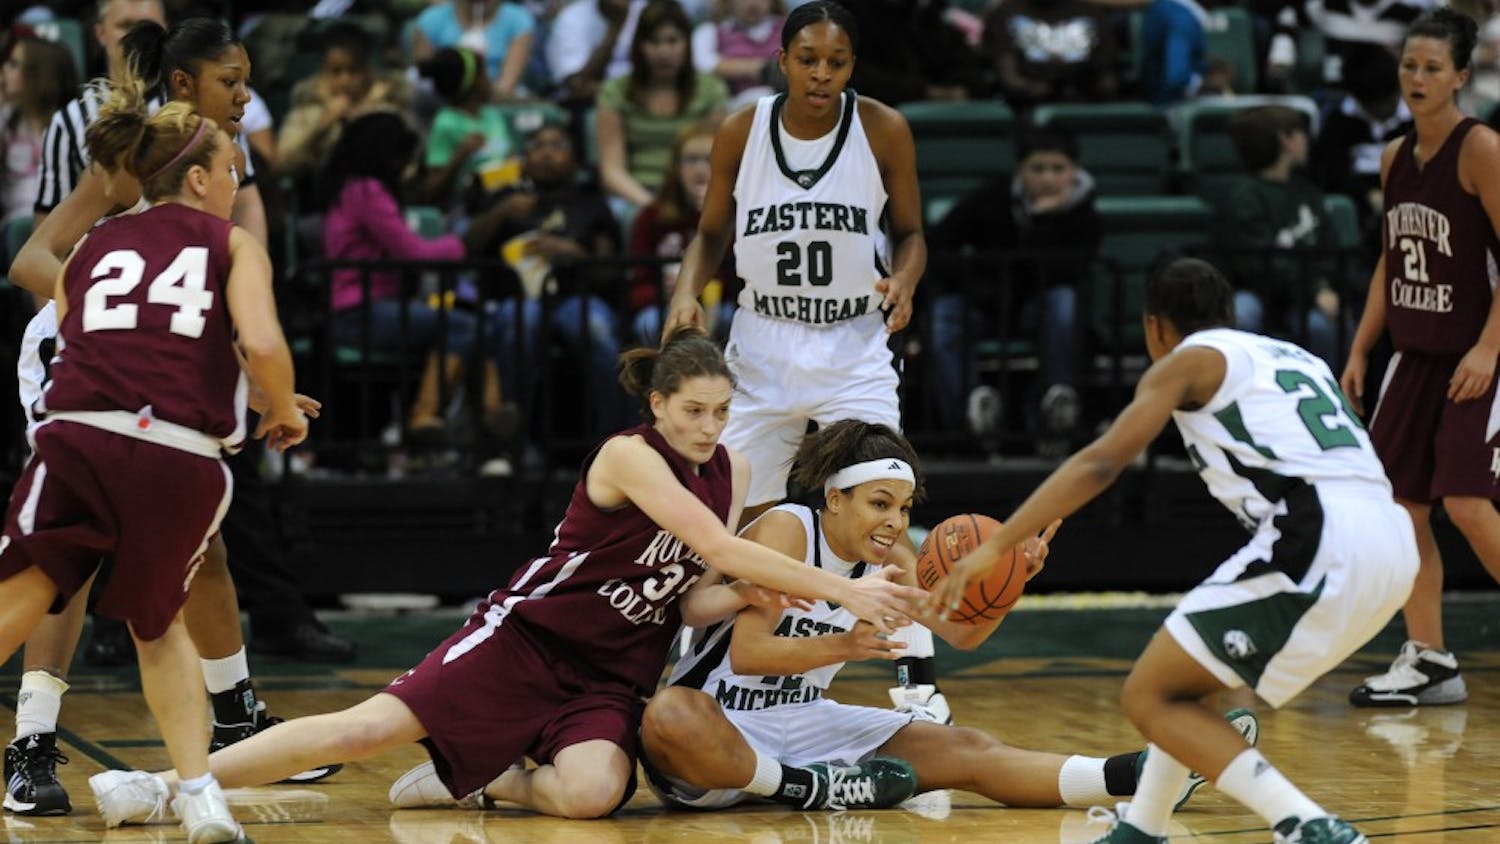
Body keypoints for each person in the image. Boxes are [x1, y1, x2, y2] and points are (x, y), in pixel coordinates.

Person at [89, 329, 927, 825]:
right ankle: (164, 785)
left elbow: (694, 594)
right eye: (693, 411)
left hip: (612, 671)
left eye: (721, 412)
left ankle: (484, 778)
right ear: (658, 405)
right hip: (528, 640)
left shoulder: (733, 470)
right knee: (360, 732)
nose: (709, 427)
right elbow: (715, 540)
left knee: (594, 795)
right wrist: (844, 587)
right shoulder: (628, 456)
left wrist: (743, 594)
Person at [930, 257, 1419, 844]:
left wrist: (997, 546)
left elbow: (1102, 461)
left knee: (1148, 694)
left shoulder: (1189, 360)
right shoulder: (1294, 357)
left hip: (1322, 534)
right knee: (1188, 682)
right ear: (1227, 313)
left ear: (1154, 326)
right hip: (1392, 538)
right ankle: (1143, 826)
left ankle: (1308, 824)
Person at [5, 18, 341, 819]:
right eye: (231, 80)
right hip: (82, 358)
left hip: (166, 368)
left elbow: (224, 297)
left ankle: (235, 717)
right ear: (185, 84)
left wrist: (222, 366)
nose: (246, 94)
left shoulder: (225, 158)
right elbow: (31, 259)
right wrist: (120, 319)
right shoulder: (139, 151)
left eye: (248, 78)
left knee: (200, 548)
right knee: (66, 562)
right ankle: (33, 741)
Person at [640, 419, 1259, 814]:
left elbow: (962, 632)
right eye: (880, 503)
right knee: (668, 715)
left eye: (904, 507)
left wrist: (1012, 580)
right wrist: (845, 647)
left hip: (804, 723)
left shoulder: (891, 556)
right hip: (719, 726)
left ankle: (1140, 777)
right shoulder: (788, 529)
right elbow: (749, 655)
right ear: (834, 498)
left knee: (965, 746)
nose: (894, 521)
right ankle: (814, 788)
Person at [659, 0, 942, 724]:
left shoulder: (882, 128)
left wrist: (906, 279)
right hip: (763, 342)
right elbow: (710, 234)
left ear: (852, 67)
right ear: (781, 60)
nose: (821, 74)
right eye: (808, 59)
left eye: (836, 62)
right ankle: (697, 664)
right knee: (734, 519)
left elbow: (911, 233)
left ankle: (917, 679)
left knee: (883, 502)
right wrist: (687, 293)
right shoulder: (740, 130)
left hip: (853, 343)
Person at [1339, 8, 1500, 708]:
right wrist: (1360, 345)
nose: (1418, 78)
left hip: (1478, 353)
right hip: (1415, 356)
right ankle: (1430, 658)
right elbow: (1392, 257)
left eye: (1434, 67)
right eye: (1410, 65)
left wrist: (1489, 347)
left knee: (1466, 503)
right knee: (1400, 511)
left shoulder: (1481, 149)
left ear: (1461, 76)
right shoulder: (1393, 157)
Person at [925, 127, 1100, 444]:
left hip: (1037, 310)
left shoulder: (1083, 215)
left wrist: (1043, 221)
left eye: (1058, 169)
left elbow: (1064, 272)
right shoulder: (991, 196)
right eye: (1038, 168)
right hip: (985, 304)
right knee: (945, 314)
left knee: (1064, 302)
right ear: (1020, 171)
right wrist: (976, 282)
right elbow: (938, 244)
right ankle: (970, 411)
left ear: (1073, 172)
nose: (1047, 178)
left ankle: (1057, 404)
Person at [1220, 105, 1344, 368]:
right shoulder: (1244, 196)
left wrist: (1324, 286)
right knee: (1243, 316)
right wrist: (1315, 289)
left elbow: (1330, 248)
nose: (1306, 141)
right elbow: (1256, 264)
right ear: (1285, 139)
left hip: (1305, 294)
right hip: (1257, 292)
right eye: (1300, 133)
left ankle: (1326, 390)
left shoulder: (1308, 193)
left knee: (1322, 326)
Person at [596, 0, 730, 213]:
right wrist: (653, 208)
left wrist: (697, 197)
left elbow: (720, 161)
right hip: (635, 195)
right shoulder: (615, 92)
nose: (663, 52)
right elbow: (612, 171)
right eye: (653, 41)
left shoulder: (711, 90)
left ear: (687, 43)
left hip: (694, 191)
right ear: (639, 46)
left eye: (672, 41)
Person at [629, 122, 735, 345]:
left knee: (730, 317)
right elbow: (635, 286)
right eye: (691, 160)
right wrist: (663, 291)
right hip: (662, 306)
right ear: (676, 168)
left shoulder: (738, 212)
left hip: (720, 304)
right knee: (648, 322)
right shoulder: (651, 217)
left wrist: (710, 213)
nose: (700, 169)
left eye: (709, 159)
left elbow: (743, 280)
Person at [1, 37, 79, 227]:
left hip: (59, 222)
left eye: (14, 64)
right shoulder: (7, 118)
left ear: (38, 74)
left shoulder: (71, 123)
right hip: (13, 223)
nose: (4, 69)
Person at [410, 0, 538, 101]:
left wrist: (478, 71)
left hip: (497, 102)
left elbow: (505, 88)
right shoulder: (430, 20)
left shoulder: (519, 20)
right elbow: (422, 80)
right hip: (441, 101)